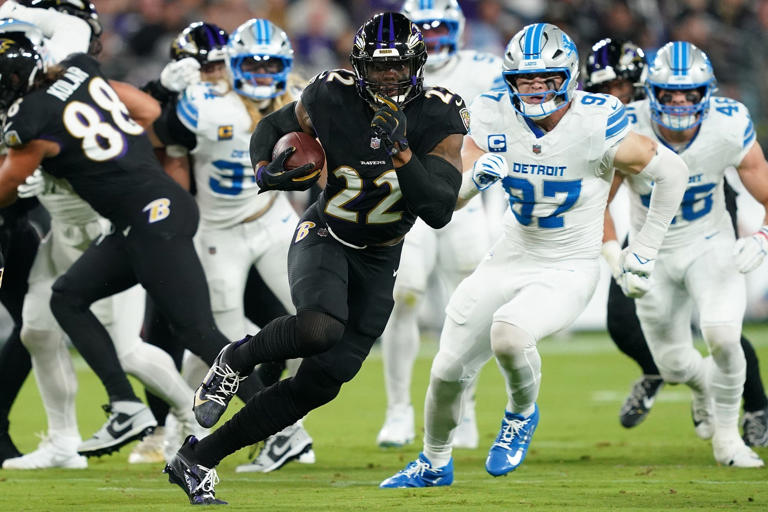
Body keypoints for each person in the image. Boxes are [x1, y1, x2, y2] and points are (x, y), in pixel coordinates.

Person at [163, 12, 466, 505]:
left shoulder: (439, 114)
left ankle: (197, 459)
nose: (389, 77)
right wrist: (264, 169)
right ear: (359, 67)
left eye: (398, 66)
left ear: (418, 65)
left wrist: (403, 154)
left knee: (323, 383)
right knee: (317, 327)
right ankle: (234, 359)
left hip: (381, 256)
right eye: (378, 67)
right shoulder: (330, 93)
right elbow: (272, 126)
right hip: (326, 233)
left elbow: (438, 211)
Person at [380, 22, 690, 487]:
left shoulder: (596, 119)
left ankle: (521, 413)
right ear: (511, 81)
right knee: (446, 368)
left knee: (509, 335)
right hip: (510, 253)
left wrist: (644, 250)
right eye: (526, 79)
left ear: (569, 78)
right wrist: (472, 181)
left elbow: (673, 172)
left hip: (569, 264)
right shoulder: (493, 113)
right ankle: (433, 461)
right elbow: (450, 201)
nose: (536, 88)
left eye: (547, 78)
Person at [0, 29, 263, 457]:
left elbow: (6, 187)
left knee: (197, 332)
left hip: (152, 219)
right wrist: (118, 153)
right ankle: (126, 406)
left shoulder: (30, 119)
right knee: (67, 296)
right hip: (144, 215)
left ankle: (274, 415)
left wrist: (60, 164)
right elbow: (147, 110)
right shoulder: (78, 72)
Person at [585, 38, 768, 447]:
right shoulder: (624, 125)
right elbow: (596, 203)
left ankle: (756, 405)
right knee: (622, 321)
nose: (611, 97)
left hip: (706, 221)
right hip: (651, 229)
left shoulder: (725, 124)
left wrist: (762, 238)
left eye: (619, 87)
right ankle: (665, 372)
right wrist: (614, 256)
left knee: (722, 327)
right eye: (602, 90)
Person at [155, 18, 316, 473]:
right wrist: (167, 93)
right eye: (254, 64)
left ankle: (286, 430)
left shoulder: (303, 98)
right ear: (235, 64)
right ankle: (196, 423)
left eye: (271, 65)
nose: (263, 74)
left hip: (273, 219)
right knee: (220, 346)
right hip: (218, 232)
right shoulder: (209, 103)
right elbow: (163, 133)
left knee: (318, 322)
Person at [373, 0, 503, 450]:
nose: (432, 36)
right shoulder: (384, 71)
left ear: (459, 28)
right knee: (404, 296)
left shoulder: (485, 70)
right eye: (423, 28)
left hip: (464, 197)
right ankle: (398, 409)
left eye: (440, 27)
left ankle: (463, 409)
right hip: (406, 198)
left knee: (468, 305)